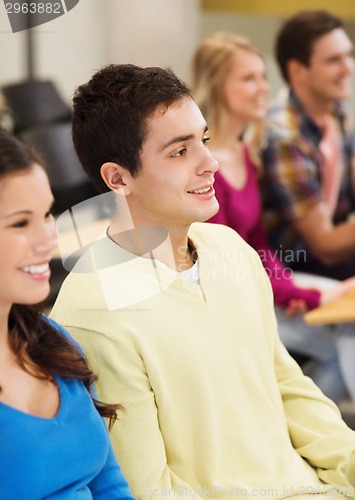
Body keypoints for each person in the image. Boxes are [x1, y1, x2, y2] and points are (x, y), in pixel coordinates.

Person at [50, 64, 355, 499]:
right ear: (118, 178)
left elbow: (287, 386)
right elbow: (148, 488)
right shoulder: (95, 317)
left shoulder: (228, 248)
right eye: (179, 152)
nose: (210, 163)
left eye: (204, 141)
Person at [191, 31, 355, 404]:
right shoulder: (203, 167)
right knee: (337, 344)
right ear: (217, 85)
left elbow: (258, 247)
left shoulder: (245, 154)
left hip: (258, 283)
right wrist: (307, 295)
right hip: (227, 298)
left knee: (346, 324)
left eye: (263, 77)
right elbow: (228, 263)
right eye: (249, 78)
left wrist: (288, 289)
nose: (264, 88)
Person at [0, 130, 133, 499]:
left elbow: (109, 483)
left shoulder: (53, 341)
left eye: (46, 214)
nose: (49, 239)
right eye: (20, 223)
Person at [262, 9, 355, 281]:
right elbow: (324, 246)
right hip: (296, 263)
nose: (348, 67)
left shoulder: (337, 113)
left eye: (348, 55)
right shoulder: (284, 136)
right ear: (298, 70)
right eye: (334, 60)